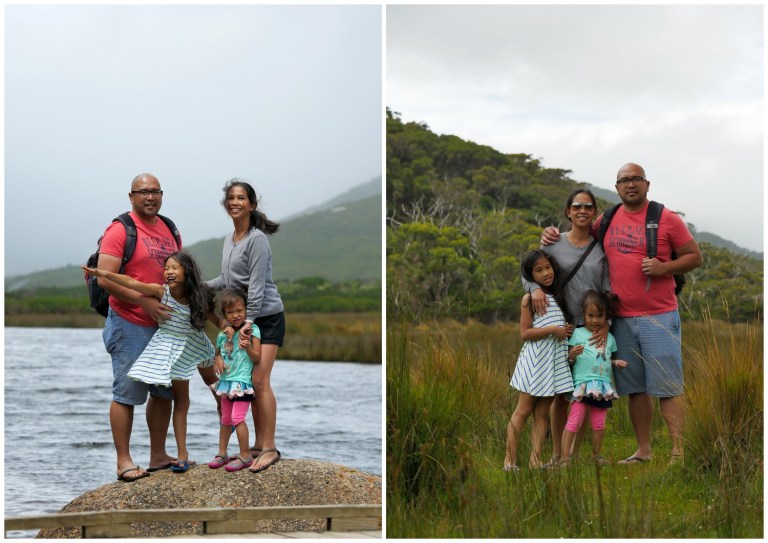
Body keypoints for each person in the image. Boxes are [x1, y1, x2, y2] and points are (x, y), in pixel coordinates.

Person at [542, 163, 702, 464]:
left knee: (668, 387)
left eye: (636, 179)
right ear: (616, 188)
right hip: (621, 320)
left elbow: (695, 256)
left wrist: (665, 268)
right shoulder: (608, 218)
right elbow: (577, 231)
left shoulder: (665, 218)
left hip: (660, 316)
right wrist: (550, 234)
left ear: (647, 184)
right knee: (635, 388)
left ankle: (678, 453)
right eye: (624, 180)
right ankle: (643, 451)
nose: (631, 185)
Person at [83, 251, 216, 473]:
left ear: (188, 271)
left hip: (196, 346)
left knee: (218, 390)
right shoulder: (160, 291)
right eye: (167, 268)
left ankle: (227, 447)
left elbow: (217, 319)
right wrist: (102, 273)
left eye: (175, 268)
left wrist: (232, 333)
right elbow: (132, 283)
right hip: (171, 351)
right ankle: (179, 453)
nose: (169, 272)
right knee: (179, 401)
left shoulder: (197, 295)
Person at [96, 173, 180, 482]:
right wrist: (143, 301)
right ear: (131, 197)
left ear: (162, 194)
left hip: (166, 326)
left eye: (155, 191)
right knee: (127, 393)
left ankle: (158, 456)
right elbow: (104, 279)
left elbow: (176, 271)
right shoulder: (120, 230)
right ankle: (124, 461)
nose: (150, 197)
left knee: (163, 392)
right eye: (143, 192)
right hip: (129, 321)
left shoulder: (170, 228)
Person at [522, 189, 610, 466]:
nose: (582, 211)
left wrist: (606, 325)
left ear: (594, 213)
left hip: (590, 330)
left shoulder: (601, 249)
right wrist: (534, 289)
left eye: (588, 207)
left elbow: (607, 291)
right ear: (568, 212)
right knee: (561, 394)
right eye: (576, 206)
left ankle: (572, 454)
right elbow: (530, 272)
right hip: (562, 330)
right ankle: (557, 455)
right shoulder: (552, 243)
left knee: (586, 394)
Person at [205, 179, 285, 473]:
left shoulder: (257, 239)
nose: (235, 202)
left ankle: (269, 448)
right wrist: (198, 286)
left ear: (251, 204)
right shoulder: (230, 240)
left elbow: (257, 284)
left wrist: (249, 322)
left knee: (261, 381)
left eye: (241, 198)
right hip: (244, 320)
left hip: (266, 316)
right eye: (231, 198)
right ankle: (256, 446)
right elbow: (227, 282)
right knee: (248, 384)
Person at [504, 250, 574, 471]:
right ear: (530, 275)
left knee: (542, 413)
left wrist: (564, 331)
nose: (546, 273)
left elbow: (555, 326)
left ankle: (535, 461)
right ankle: (509, 461)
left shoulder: (557, 297)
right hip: (535, 363)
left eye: (548, 267)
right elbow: (525, 334)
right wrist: (553, 329)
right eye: (539, 270)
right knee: (523, 411)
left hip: (552, 363)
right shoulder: (529, 299)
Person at [560, 290, 627, 466]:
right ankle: (565, 458)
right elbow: (569, 359)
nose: (595, 320)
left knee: (599, 424)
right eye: (590, 315)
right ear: (583, 314)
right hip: (582, 384)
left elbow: (604, 358)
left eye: (599, 316)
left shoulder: (609, 338)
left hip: (603, 386)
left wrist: (616, 362)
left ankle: (595, 456)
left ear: (606, 316)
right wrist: (572, 354)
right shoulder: (577, 334)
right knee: (574, 420)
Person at [207, 289, 261, 472]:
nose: (235, 315)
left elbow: (256, 358)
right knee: (225, 419)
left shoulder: (252, 330)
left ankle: (245, 455)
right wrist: (218, 358)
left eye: (239, 310)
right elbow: (218, 352)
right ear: (225, 315)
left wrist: (247, 347)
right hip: (226, 382)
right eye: (230, 313)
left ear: (246, 310)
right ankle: (222, 453)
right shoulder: (224, 333)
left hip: (242, 383)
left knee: (238, 418)